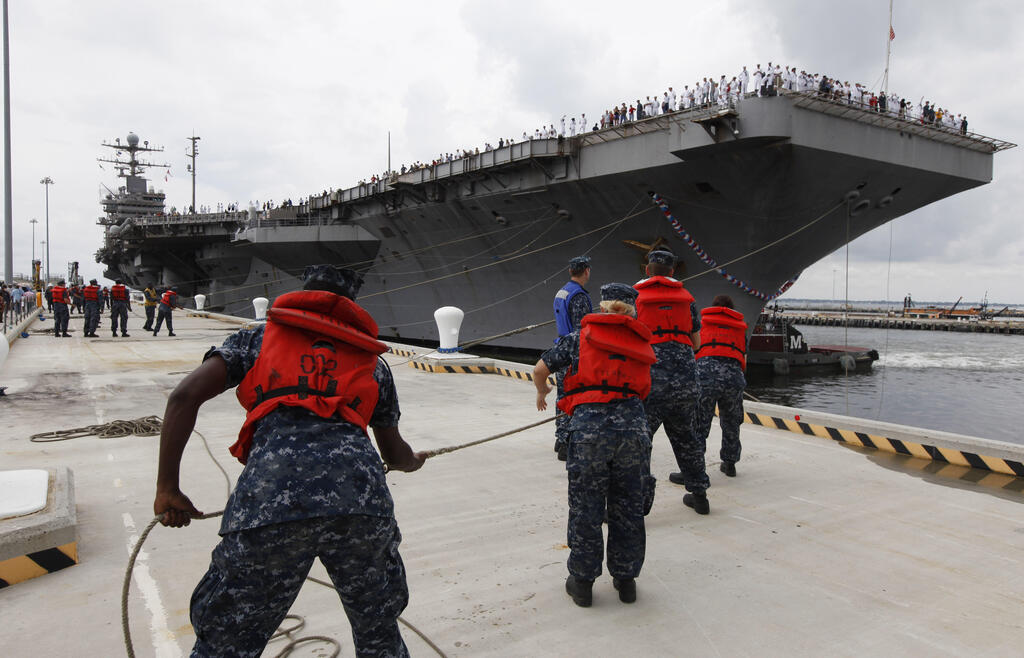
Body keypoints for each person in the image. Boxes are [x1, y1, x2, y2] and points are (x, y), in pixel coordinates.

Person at [153, 264, 426, 657]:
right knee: (378, 632)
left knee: (226, 640)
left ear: (305, 293)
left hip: (269, 504)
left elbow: (183, 396)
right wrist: (413, 461)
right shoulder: (373, 361)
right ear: (351, 304)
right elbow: (394, 454)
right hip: (362, 506)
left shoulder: (256, 340)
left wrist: (167, 489)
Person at [534, 283, 655, 607]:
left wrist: (542, 392)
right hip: (632, 431)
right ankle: (626, 580)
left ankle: (583, 583)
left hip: (588, 432)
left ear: (602, 307)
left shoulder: (577, 339)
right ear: (632, 310)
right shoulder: (642, 341)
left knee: (586, 507)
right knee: (628, 506)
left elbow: (540, 369)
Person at [633, 250, 709, 515]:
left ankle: (639, 503)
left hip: (650, 383)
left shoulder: (636, 299)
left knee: (640, 442)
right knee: (688, 438)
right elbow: (697, 343)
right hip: (686, 383)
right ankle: (699, 496)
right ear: (673, 272)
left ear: (647, 270)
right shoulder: (688, 301)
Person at [694, 295, 748, 477]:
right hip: (733, 376)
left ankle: (696, 467)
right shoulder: (740, 328)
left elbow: (694, 347)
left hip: (706, 375)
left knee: (700, 422)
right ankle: (730, 463)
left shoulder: (704, 323)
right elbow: (743, 353)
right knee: (732, 421)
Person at [551, 255, 594, 461]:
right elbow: (581, 328)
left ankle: (559, 438)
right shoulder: (579, 297)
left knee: (561, 396)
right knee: (573, 397)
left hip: (560, 348)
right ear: (586, 271)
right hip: (573, 353)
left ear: (570, 271)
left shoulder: (562, 291)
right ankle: (566, 444)